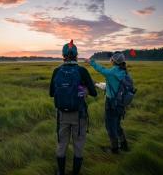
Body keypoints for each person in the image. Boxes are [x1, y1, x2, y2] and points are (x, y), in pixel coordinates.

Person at [50, 40, 97, 175]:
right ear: (77, 55)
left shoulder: (57, 71)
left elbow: (51, 93)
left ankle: (60, 172)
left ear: (63, 55)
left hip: (62, 115)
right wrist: (83, 89)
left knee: (61, 144)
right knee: (78, 144)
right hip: (79, 114)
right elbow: (93, 93)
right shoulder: (82, 71)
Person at [85, 52, 129, 154]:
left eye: (112, 59)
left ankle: (114, 149)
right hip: (121, 103)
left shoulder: (112, 72)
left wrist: (90, 62)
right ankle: (124, 144)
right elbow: (116, 85)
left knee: (110, 126)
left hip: (112, 103)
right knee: (117, 124)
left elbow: (101, 69)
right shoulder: (124, 72)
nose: (110, 60)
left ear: (114, 61)